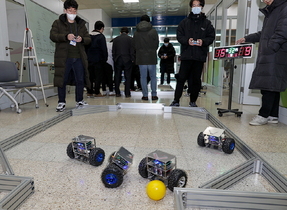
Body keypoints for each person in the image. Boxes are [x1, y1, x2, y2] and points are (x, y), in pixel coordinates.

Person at [236, 0, 287, 126]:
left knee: (267, 85)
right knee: (273, 84)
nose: (264, 0)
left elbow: (283, 31)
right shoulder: (272, 11)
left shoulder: (284, 7)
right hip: (273, 53)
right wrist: (247, 38)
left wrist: (270, 47)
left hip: (275, 53)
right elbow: (264, 34)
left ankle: (263, 115)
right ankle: (273, 115)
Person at [170, 0, 215, 107]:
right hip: (186, 55)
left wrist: (203, 42)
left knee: (196, 80)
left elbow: (211, 37)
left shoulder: (207, 24)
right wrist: (187, 41)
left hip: (199, 56)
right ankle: (176, 100)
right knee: (181, 78)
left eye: (198, 5)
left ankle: (193, 101)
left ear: (202, 7)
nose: (196, 7)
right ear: (191, 7)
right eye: (193, 5)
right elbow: (179, 36)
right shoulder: (184, 22)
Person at [50, 0, 91, 112]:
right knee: (61, 79)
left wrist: (82, 39)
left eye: (74, 10)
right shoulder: (58, 23)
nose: (72, 12)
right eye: (70, 10)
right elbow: (53, 36)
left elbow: (88, 38)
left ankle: (79, 100)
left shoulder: (81, 24)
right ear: (65, 10)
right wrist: (65, 36)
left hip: (79, 57)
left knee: (80, 80)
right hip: (64, 57)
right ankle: (61, 102)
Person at [133, 15, 159, 101]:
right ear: (149, 21)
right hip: (151, 57)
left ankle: (145, 95)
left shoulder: (136, 33)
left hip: (141, 58)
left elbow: (135, 46)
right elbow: (156, 45)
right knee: (153, 77)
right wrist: (151, 50)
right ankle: (154, 95)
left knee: (143, 77)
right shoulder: (153, 31)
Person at [86, 20, 108, 97]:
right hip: (98, 60)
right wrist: (105, 59)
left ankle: (89, 91)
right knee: (98, 76)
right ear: (101, 28)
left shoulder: (88, 36)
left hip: (89, 60)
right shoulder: (101, 37)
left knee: (90, 76)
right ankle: (97, 92)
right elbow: (104, 49)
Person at [112, 27, 134, 97]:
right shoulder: (130, 39)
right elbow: (132, 50)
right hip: (127, 59)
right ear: (127, 33)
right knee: (128, 76)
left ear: (120, 32)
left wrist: (115, 58)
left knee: (117, 76)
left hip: (118, 59)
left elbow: (113, 50)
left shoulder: (115, 39)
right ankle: (127, 93)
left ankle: (117, 92)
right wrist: (132, 59)